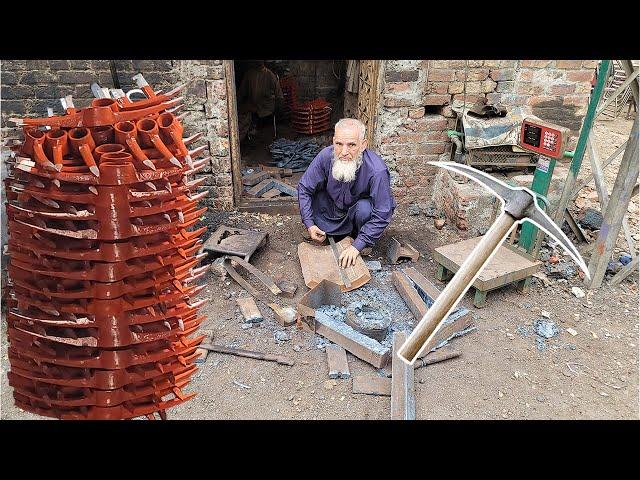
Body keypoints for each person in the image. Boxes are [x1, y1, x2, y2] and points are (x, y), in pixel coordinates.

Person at [297, 118, 396, 268]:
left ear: (363, 145)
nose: (344, 152)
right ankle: (324, 231)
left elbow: (383, 211)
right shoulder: (325, 156)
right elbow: (304, 188)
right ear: (334, 141)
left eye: (351, 145)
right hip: (329, 212)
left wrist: (357, 246)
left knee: (365, 209)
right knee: (313, 193)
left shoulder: (377, 170)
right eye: (339, 144)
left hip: (354, 217)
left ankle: (359, 240)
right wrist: (309, 223)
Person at [237, 61, 284, 132]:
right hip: (253, 104)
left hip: (266, 105)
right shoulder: (249, 74)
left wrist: (278, 109)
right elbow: (241, 92)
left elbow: (279, 95)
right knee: (241, 111)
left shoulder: (269, 75)